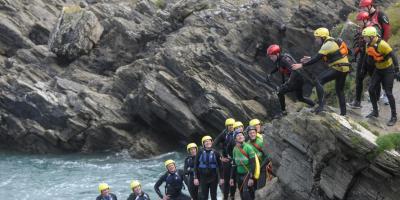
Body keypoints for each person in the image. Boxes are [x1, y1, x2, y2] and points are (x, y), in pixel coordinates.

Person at [292, 27, 350, 116]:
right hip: (344, 68)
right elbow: (325, 56)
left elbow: (317, 58)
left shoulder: (327, 44)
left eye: (317, 38)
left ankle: (321, 106)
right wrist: (310, 58)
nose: (316, 40)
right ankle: (343, 113)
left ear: (323, 37)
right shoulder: (331, 42)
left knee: (318, 81)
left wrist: (302, 65)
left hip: (338, 68)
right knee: (339, 90)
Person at [362, 27, 400, 126]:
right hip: (378, 70)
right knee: (371, 89)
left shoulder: (382, 44)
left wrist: (397, 70)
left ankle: (394, 116)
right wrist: (363, 69)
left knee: (388, 92)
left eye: (365, 37)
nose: (364, 39)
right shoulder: (368, 44)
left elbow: (393, 56)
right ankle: (375, 111)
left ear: (371, 36)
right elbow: (367, 57)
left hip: (388, 70)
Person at [266, 44, 315, 113]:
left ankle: (283, 111)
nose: (271, 58)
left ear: (277, 54)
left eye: (272, 56)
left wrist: (287, 83)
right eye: (270, 57)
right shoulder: (279, 59)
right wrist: (270, 73)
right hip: (298, 79)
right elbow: (278, 67)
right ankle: (315, 105)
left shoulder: (284, 60)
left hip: (297, 80)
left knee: (280, 92)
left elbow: (295, 70)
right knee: (300, 98)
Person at [213, 118, 237, 200]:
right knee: (226, 180)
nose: (231, 127)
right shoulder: (224, 134)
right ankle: (226, 197)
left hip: (236, 159)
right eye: (229, 125)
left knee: (234, 179)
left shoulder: (238, 133)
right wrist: (220, 157)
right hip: (226, 160)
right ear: (226, 126)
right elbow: (214, 144)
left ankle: (233, 195)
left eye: (232, 125)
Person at [194, 136, 223, 200]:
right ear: (203, 143)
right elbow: (196, 165)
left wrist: (221, 178)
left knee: (214, 196)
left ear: (211, 142)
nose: (208, 142)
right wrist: (195, 178)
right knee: (204, 196)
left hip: (213, 178)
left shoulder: (216, 153)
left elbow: (220, 166)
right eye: (206, 141)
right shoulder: (200, 152)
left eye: (209, 141)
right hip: (203, 178)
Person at [230, 131, 256, 200]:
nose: (240, 136)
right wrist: (232, 178)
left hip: (247, 173)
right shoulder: (234, 149)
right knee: (241, 192)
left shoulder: (248, 148)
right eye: (238, 136)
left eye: (241, 135)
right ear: (235, 139)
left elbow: (253, 163)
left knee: (245, 192)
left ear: (244, 137)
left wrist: (251, 178)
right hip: (239, 174)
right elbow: (234, 164)